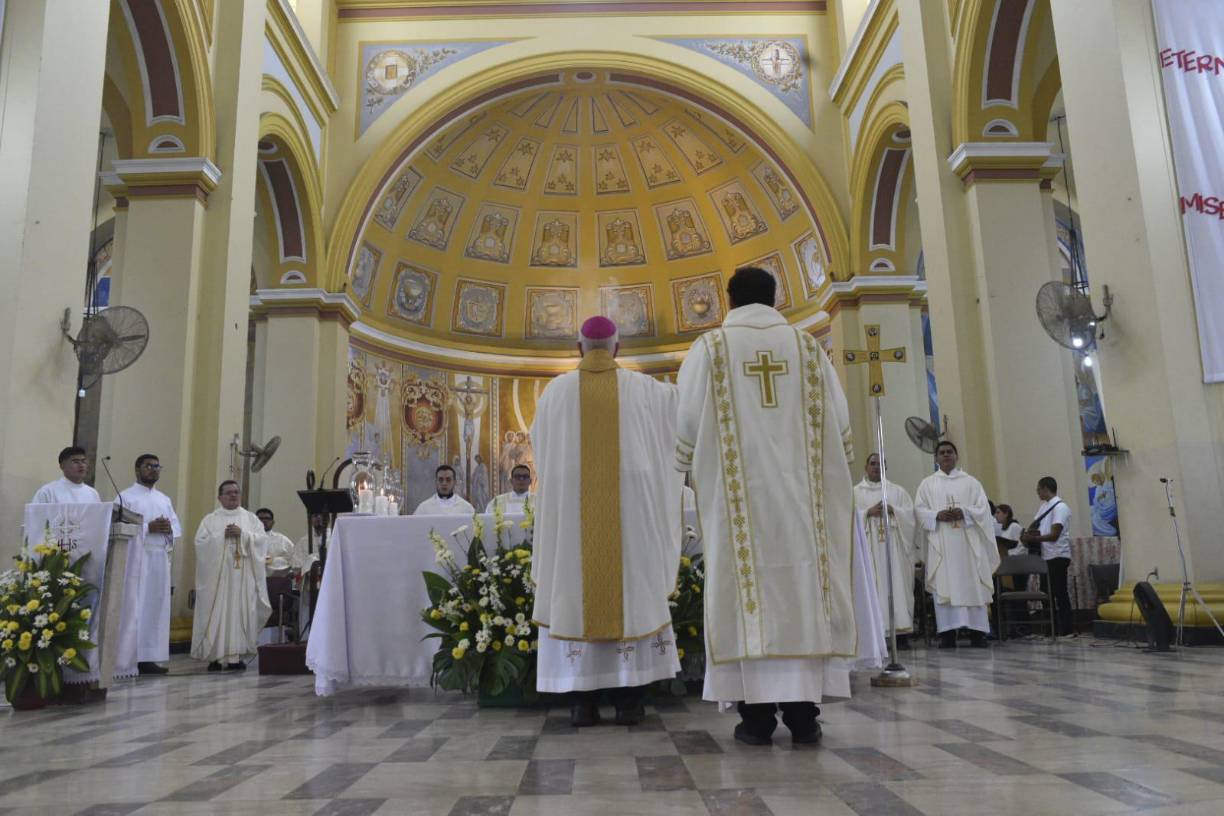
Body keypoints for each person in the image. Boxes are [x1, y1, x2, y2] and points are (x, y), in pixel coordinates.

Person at [676, 267, 861, 746]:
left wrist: (681, 468)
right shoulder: (806, 349)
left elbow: (685, 426)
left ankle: (755, 718)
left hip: (740, 512)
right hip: (803, 509)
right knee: (802, 592)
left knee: (746, 599)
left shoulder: (712, 348)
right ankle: (804, 716)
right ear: (776, 299)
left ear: (729, 299)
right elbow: (841, 427)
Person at [532, 316, 683, 727]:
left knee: (574, 592)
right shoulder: (647, 392)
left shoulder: (555, 392)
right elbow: (681, 417)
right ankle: (630, 701)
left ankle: (582, 703)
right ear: (617, 348)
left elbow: (540, 449)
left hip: (571, 514)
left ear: (579, 348)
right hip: (630, 514)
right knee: (631, 592)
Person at [915, 441, 999, 649]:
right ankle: (948, 635)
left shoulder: (971, 483)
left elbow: (983, 509)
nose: (946, 455)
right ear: (935, 458)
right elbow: (919, 510)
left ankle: (977, 633)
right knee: (944, 586)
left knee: (973, 583)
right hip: (942, 544)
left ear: (956, 456)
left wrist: (965, 512)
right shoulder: (928, 484)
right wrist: (937, 515)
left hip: (968, 544)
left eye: (949, 452)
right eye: (942, 453)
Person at [191, 481, 271, 671]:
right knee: (217, 612)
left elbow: (262, 542)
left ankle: (237, 656)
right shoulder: (210, 520)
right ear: (220, 497)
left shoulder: (251, 519)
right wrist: (222, 537)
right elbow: (200, 544)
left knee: (241, 612)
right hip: (217, 580)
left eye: (236, 492)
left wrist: (243, 535)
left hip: (243, 578)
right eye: (228, 493)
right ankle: (214, 657)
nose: (233, 496)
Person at [115, 454, 181, 676]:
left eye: (157, 466)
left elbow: (176, 527)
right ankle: (130, 656)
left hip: (159, 558)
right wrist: (147, 528)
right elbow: (116, 528)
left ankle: (150, 657)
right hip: (136, 559)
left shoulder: (164, 499)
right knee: (136, 606)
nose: (153, 470)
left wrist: (168, 528)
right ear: (137, 469)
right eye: (148, 466)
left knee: (155, 607)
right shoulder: (124, 498)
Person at [854, 453, 918, 649]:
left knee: (897, 586)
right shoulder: (855, 492)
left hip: (894, 550)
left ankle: (901, 633)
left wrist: (893, 510)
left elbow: (911, 516)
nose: (876, 467)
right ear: (866, 467)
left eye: (880, 464)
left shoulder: (897, 491)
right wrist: (866, 513)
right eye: (872, 463)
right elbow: (845, 517)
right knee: (873, 588)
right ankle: (875, 635)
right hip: (869, 549)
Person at [1021, 477, 1075, 638]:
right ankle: (1050, 628)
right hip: (1046, 556)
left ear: (1045, 488)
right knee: (1046, 593)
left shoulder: (1060, 507)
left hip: (1058, 555)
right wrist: (1027, 536)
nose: (1037, 492)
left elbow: (1054, 535)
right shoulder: (1045, 506)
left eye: (1038, 489)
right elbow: (1036, 527)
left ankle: (1066, 629)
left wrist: (1033, 539)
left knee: (1059, 592)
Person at [32, 446, 101, 503]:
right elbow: (35, 517)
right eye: (75, 462)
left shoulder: (93, 494)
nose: (81, 465)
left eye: (83, 461)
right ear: (62, 466)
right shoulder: (48, 492)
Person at [256, 507, 296, 573]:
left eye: (267, 518)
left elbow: (294, 560)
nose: (264, 521)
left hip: (276, 578)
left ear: (273, 522)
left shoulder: (283, 540)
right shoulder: (248, 538)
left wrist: (273, 561)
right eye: (260, 518)